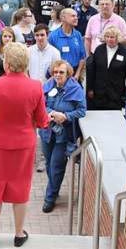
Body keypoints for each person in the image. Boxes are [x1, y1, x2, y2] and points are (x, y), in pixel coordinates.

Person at [0, 42, 48, 247]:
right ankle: (18, 233)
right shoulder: (35, 87)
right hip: (24, 145)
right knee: (21, 189)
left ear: (6, 62)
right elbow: (42, 121)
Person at [39, 58, 85, 214]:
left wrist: (65, 116)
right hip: (47, 131)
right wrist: (51, 113)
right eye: (55, 72)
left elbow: (82, 111)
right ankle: (55, 188)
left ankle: (49, 198)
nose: (58, 75)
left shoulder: (76, 88)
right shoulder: (48, 85)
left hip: (63, 135)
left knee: (56, 166)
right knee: (48, 163)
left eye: (61, 72)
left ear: (68, 74)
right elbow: (40, 104)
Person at [86, 26, 126, 110]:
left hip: (116, 94)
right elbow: (92, 71)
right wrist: (90, 88)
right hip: (98, 93)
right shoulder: (99, 50)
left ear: (117, 38)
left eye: (112, 37)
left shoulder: (125, 53)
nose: (109, 39)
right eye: (107, 37)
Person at [48, 8, 87, 78]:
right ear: (63, 18)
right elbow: (49, 58)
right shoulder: (53, 36)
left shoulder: (78, 35)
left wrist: (77, 74)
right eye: (73, 16)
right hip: (59, 74)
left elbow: (82, 57)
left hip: (75, 74)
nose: (76, 18)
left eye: (76, 16)